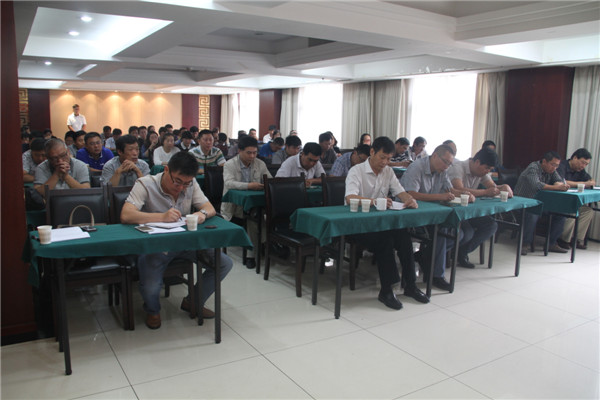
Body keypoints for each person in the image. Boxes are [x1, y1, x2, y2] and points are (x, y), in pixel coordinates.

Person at [120, 151, 233, 329]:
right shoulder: (145, 183)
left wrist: (202, 214)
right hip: (156, 245)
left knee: (224, 263)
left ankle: (193, 301)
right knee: (151, 285)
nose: (181, 188)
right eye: (177, 181)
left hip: (185, 242)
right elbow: (126, 215)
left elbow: (208, 207)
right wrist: (161, 217)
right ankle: (153, 310)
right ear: (166, 170)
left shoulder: (191, 183)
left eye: (186, 183)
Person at [345, 136, 428, 309]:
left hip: (381, 224)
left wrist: (409, 199)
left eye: (389, 159)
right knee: (385, 241)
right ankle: (386, 290)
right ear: (372, 152)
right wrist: (374, 202)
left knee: (404, 237)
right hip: (359, 225)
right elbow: (350, 197)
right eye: (382, 157)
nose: (385, 162)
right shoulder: (356, 171)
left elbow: (400, 191)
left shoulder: (388, 171)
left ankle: (410, 286)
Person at [400, 144, 474, 290]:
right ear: (434, 156)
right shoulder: (417, 167)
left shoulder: (442, 171)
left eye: (449, 164)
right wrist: (440, 196)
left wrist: (465, 194)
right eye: (445, 162)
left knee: (459, 234)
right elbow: (411, 194)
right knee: (441, 231)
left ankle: (424, 255)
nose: (446, 166)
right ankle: (436, 276)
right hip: (412, 215)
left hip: (433, 215)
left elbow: (450, 190)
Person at [449, 147, 512, 268]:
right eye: (487, 168)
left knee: (491, 225)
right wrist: (485, 192)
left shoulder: (482, 172)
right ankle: (453, 252)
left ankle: (462, 252)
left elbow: (492, 187)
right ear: (477, 162)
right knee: (468, 232)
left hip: (470, 211)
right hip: (455, 210)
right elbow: (459, 189)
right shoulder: (458, 167)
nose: (487, 171)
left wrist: (504, 187)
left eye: (490, 169)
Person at [222, 135, 272, 269]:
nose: (252, 156)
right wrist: (249, 186)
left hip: (255, 204)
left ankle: (267, 243)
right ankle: (252, 254)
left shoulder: (260, 164)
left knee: (262, 213)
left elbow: (270, 180)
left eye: (255, 153)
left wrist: (266, 184)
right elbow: (229, 183)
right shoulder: (230, 164)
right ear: (239, 151)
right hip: (235, 204)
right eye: (249, 153)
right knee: (253, 216)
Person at [514, 151, 569, 255]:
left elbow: (558, 179)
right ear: (544, 161)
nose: (554, 168)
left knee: (561, 213)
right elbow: (537, 185)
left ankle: (551, 243)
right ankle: (524, 243)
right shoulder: (533, 168)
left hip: (539, 203)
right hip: (523, 202)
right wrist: (556, 187)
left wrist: (560, 185)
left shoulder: (552, 170)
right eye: (553, 164)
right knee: (533, 213)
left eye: (557, 166)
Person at [556, 148, 595, 250]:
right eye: (582, 162)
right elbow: (562, 182)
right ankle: (563, 239)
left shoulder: (581, 170)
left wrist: (590, 182)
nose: (583, 166)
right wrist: (584, 183)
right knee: (573, 209)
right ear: (575, 158)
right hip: (558, 200)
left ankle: (576, 240)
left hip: (571, 200)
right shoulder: (562, 166)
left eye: (586, 164)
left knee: (588, 211)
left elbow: (591, 181)